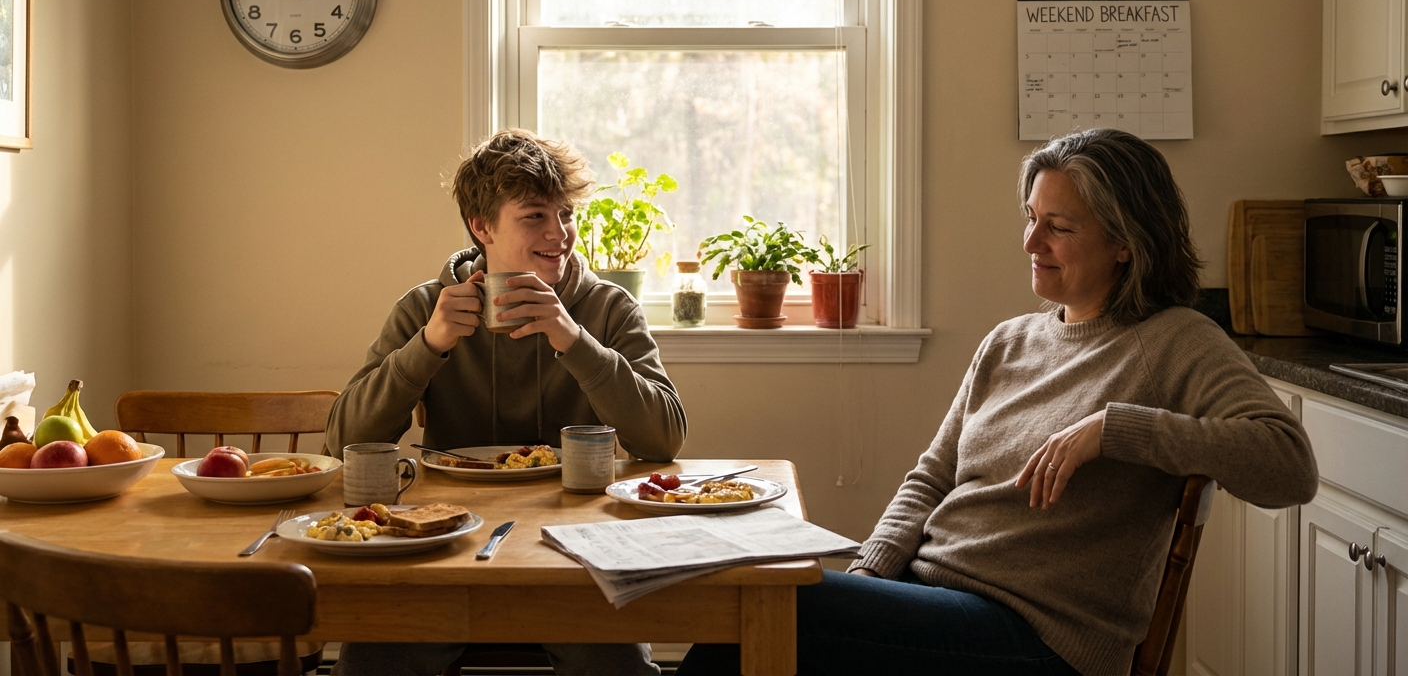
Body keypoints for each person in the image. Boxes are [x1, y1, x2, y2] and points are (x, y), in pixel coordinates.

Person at [676, 128, 1319, 676]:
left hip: (1036, 637)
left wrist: (1114, 429)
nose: (1032, 242)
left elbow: (1290, 465)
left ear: (1127, 242)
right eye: (1031, 218)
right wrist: (871, 574)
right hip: (932, 596)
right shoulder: (1010, 341)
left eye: (1059, 227)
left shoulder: (1175, 340)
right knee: (752, 605)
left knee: (756, 612)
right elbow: (932, 477)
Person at [327, 128, 687, 676]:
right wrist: (428, 346)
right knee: (373, 662)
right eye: (535, 216)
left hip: (576, 547)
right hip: (445, 543)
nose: (559, 233)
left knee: (614, 665)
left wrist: (575, 340)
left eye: (566, 214)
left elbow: (664, 440)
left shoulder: (609, 308)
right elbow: (341, 442)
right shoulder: (425, 308)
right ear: (482, 226)